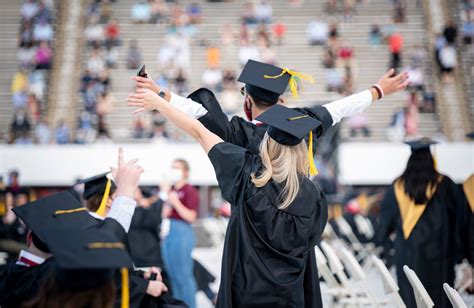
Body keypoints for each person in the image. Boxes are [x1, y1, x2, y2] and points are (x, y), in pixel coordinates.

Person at [126, 86, 329, 307]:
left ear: (267, 144)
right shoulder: (315, 195)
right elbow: (311, 242)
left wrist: (160, 104)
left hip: (248, 292)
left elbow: (200, 131)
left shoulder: (248, 176)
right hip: (292, 295)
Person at [131, 60, 409, 158]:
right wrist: (378, 90)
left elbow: (197, 112)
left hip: (254, 234)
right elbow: (338, 108)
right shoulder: (303, 123)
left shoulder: (238, 133)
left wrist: (160, 94)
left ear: (247, 102)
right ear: (282, 101)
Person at [375, 138, 471, 307]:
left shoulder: (398, 186)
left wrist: (387, 248)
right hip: (441, 257)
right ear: (431, 159)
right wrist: (462, 254)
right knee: (439, 300)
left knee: (411, 298)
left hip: (407, 256)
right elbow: (461, 222)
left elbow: (384, 223)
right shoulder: (445, 185)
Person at [161, 159, 199, 308]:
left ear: (186, 172)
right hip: (169, 231)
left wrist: (176, 202)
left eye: (177, 168)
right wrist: (167, 196)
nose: (173, 170)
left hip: (182, 231)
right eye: (172, 167)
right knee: (173, 276)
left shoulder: (189, 190)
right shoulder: (172, 191)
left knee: (184, 276)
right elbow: (164, 214)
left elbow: (191, 217)